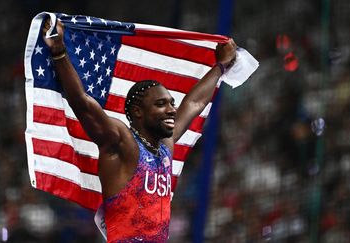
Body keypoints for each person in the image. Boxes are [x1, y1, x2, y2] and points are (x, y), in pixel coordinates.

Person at [42, 19, 237, 242]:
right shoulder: (121, 141)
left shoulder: (165, 146)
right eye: (161, 104)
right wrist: (59, 53)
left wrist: (220, 67)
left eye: (172, 103)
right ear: (138, 112)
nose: (172, 110)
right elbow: (82, 103)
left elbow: (193, 104)